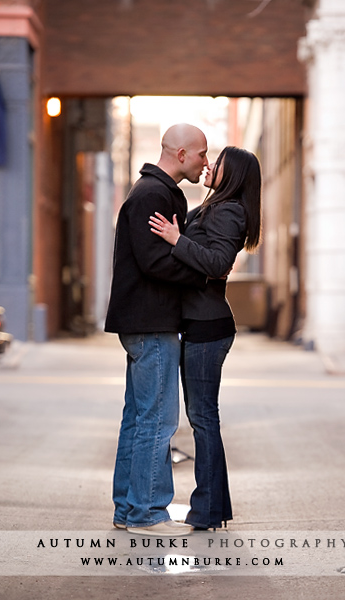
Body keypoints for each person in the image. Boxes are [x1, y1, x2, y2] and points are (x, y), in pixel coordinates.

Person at [149, 146, 262, 530]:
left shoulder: (230, 211)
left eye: (220, 164)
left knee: (203, 418)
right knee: (202, 418)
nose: (210, 165)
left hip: (208, 327)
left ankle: (209, 509)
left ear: (233, 176)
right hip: (199, 324)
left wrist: (174, 238)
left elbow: (217, 264)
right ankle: (212, 508)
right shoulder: (217, 205)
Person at [104, 123, 209, 536]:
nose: (206, 161)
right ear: (181, 154)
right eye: (202, 154)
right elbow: (155, 262)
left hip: (142, 322)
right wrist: (202, 274)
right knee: (157, 420)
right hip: (151, 322)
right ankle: (148, 512)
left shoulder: (151, 191)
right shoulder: (153, 194)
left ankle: (128, 509)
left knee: (137, 418)